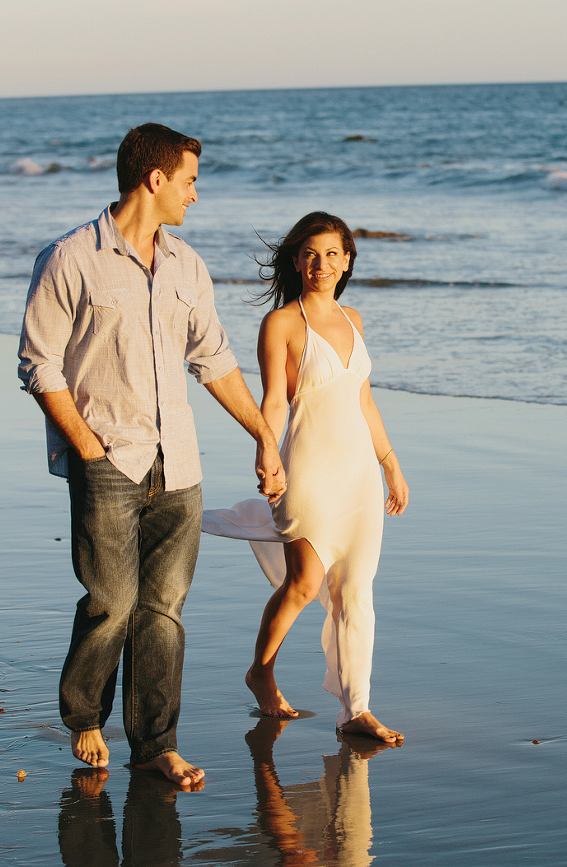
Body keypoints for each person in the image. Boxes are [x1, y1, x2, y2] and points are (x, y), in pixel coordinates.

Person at [18, 122, 285, 788]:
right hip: (107, 458)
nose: (196, 195)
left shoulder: (187, 265)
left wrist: (261, 432)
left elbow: (213, 359)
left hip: (180, 466)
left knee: (163, 612)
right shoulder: (70, 257)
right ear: (155, 178)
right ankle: (85, 714)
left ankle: (155, 744)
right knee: (111, 601)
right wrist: (87, 446)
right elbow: (37, 363)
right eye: (190, 180)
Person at [203, 212, 408, 744]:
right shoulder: (282, 324)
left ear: (347, 261)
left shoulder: (354, 318)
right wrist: (266, 454)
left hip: (360, 473)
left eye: (333, 253)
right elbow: (273, 400)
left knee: (357, 592)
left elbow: (363, 398)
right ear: (296, 261)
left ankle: (356, 708)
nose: (322, 264)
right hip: (309, 470)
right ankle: (261, 671)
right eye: (311, 254)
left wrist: (390, 463)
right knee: (305, 583)